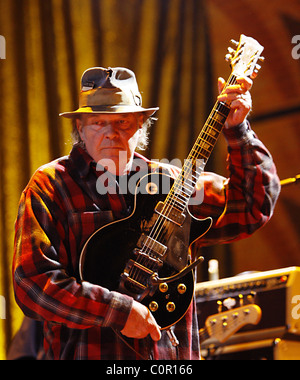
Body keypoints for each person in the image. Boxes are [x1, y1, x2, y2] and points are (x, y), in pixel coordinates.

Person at [12, 66, 280, 360]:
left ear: (141, 124)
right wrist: (118, 311)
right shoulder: (52, 185)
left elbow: (251, 208)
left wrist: (238, 130)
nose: (110, 134)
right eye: (98, 123)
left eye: (123, 122)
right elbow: (33, 283)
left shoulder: (171, 182)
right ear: (79, 127)